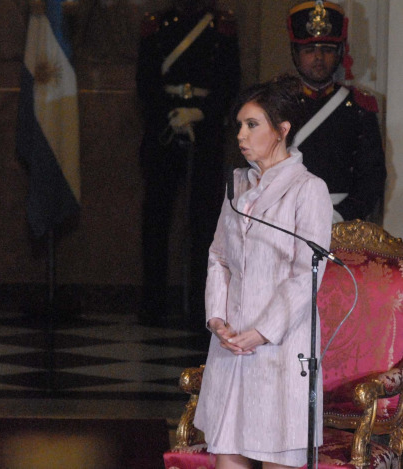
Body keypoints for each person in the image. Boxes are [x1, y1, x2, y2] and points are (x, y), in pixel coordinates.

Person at [192, 75, 333, 468]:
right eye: (239, 125)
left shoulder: (309, 189)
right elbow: (218, 256)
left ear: (282, 130)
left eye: (252, 125)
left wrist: (262, 332)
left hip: (280, 350)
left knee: (277, 454)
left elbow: (306, 274)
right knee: (227, 454)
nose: (241, 134)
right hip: (231, 346)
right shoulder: (237, 186)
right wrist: (217, 319)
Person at [136, 0, 240, 327]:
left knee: (205, 221)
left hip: (206, 133)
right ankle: (153, 303)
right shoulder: (156, 24)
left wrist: (201, 113)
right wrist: (170, 115)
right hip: (164, 129)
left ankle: (201, 306)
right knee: (156, 219)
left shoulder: (221, 26)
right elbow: (145, 82)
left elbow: (230, 83)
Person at [287, 1, 386, 223]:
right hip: (288, 219)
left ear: (340, 52)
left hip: (343, 223)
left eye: (327, 50)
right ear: (296, 53)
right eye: (309, 50)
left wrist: (339, 215)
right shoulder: (276, 105)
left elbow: (372, 177)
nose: (318, 57)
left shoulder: (360, 107)